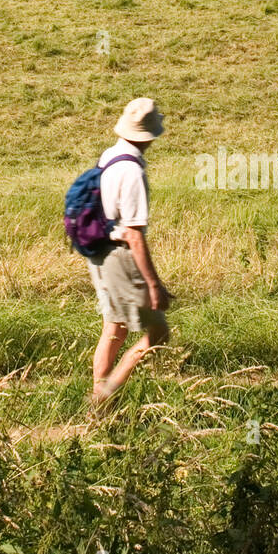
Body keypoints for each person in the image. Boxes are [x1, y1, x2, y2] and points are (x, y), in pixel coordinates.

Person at [88, 97, 172, 407]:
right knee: (159, 333)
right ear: (150, 136)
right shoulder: (133, 172)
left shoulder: (109, 155)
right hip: (121, 257)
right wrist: (154, 284)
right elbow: (135, 235)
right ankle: (105, 395)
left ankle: (101, 403)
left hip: (98, 252)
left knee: (115, 328)